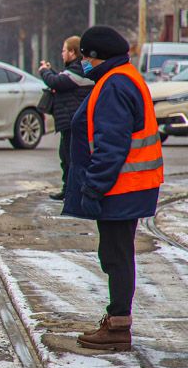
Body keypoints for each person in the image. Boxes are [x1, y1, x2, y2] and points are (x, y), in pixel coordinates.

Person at [63, 25, 163, 351]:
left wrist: (92, 188)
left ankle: (118, 325)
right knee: (117, 253)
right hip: (129, 184)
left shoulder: (114, 84)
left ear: (95, 56)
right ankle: (117, 321)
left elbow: (110, 145)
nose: (84, 63)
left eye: (86, 57)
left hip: (122, 186)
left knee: (116, 255)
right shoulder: (122, 76)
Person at [38, 36, 94, 201]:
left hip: (73, 121)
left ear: (72, 52)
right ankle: (69, 189)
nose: (62, 54)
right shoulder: (80, 69)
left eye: (64, 50)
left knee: (71, 158)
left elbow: (56, 82)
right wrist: (51, 71)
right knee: (67, 157)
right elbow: (64, 80)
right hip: (72, 121)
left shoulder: (79, 69)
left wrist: (44, 71)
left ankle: (73, 192)